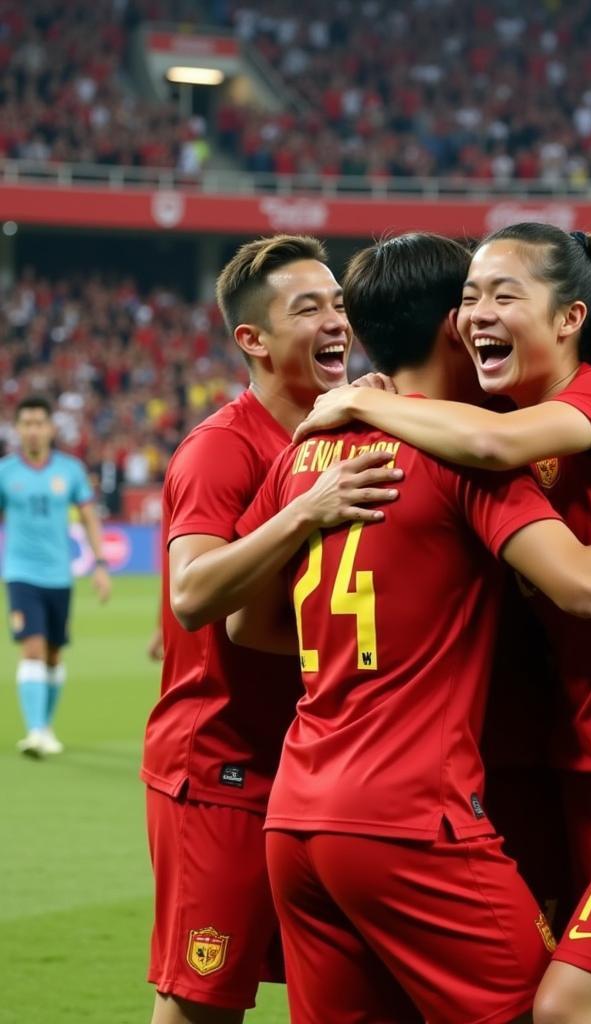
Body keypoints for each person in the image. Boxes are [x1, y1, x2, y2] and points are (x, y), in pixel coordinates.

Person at [229, 231, 591, 1024]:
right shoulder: (464, 453)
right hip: (470, 795)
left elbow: (247, 622)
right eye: (472, 298)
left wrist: (357, 400)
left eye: (501, 295)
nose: (482, 314)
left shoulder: (318, 452)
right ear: (452, 327)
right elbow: (574, 576)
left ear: (569, 316)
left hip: (310, 811)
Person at [141, 234, 404, 1024]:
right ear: (251, 339)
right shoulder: (222, 449)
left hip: (317, 770)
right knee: (203, 1004)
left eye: (339, 305)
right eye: (308, 308)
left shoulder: (356, 425)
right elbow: (193, 596)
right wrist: (305, 510)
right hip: (222, 767)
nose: (336, 323)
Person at [0, 395, 111, 757]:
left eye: (38, 423)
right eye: (26, 423)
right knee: (31, 648)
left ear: (49, 428)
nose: (32, 430)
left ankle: (45, 727)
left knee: (52, 655)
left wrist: (99, 563)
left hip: (59, 576)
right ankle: (34, 732)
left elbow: (90, 517)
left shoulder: (70, 470)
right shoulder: (6, 473)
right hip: (20, 573)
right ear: (17, 429)